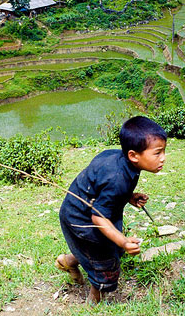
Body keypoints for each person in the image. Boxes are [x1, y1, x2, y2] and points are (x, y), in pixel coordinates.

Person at [55, 116, 167, 304]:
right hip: (82, 219)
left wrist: (129, 196)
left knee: (107, 249)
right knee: (106, 263)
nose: (163, 158)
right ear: (133, 155)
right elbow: (98, 218)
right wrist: (124, 241)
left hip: (84, 210)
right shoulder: (117, 178)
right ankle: (94, 302)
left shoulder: (117, 157)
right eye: (157, 153)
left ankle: (69, 261)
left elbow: (101, 187)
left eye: (164, 151)